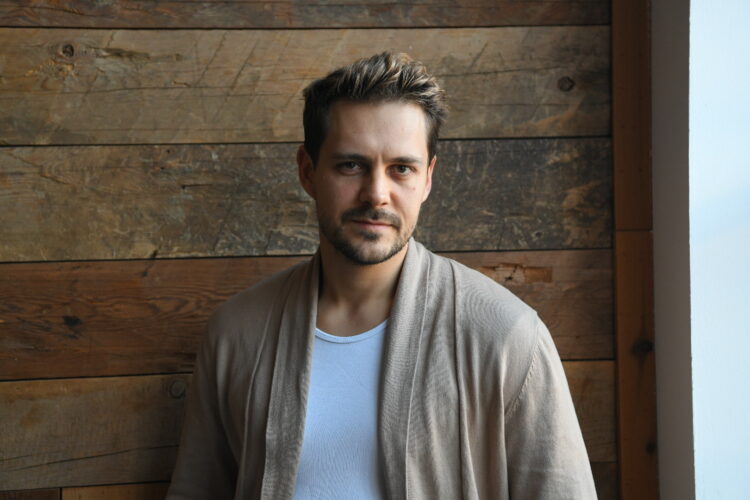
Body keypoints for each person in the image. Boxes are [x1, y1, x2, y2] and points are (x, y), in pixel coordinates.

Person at [167, 51, 597, 499]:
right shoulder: (236, 333)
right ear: (308, 172)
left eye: (401, 169)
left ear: (427, 179)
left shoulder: (506, 335)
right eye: (351, 165)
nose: (376, 194)